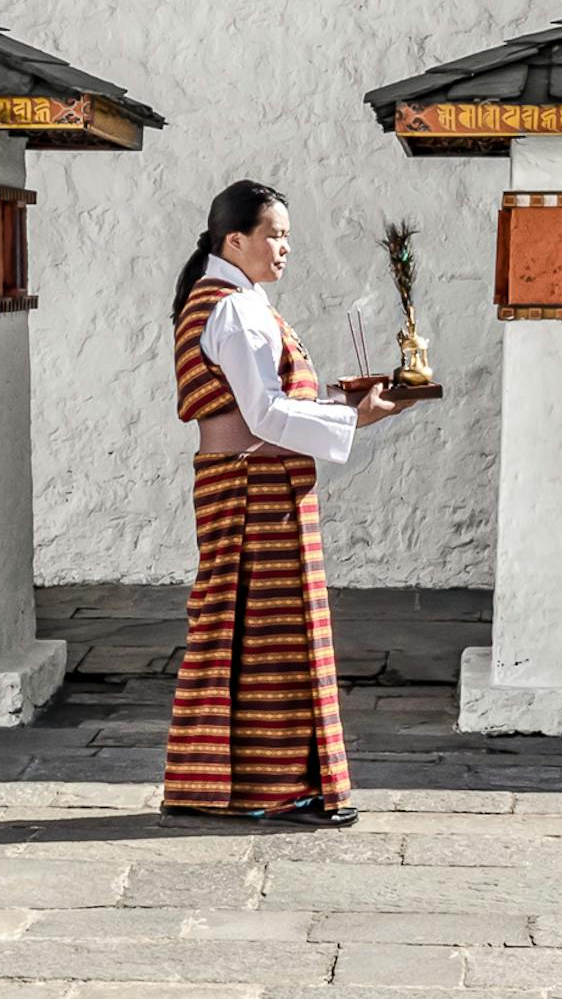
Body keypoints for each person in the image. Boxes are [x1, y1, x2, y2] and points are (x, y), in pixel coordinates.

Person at [162, 180, 394, 827]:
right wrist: (354, 420)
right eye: (272, 234)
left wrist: (344, 408)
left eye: (286, 235)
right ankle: (269, 789)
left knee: (255, 633)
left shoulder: (236, 299)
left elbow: (265, 407)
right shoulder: (232, 309)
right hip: (251, 488)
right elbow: (262, 413)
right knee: (268, 636)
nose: (283, 247)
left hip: (247, 482)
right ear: (233, 240)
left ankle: (236, 786)